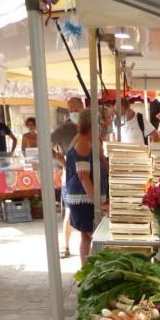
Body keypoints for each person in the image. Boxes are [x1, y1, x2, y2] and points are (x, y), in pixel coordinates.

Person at [64, 109, 107, 266]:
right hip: (85, 200)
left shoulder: (88, 142)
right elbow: (84, 178)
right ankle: (93, 271)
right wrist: (99, 203)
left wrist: (102, 155)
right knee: (96, 236)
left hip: (86, 198)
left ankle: (85, 270)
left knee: (85, 236)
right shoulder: (83, 144)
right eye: (99, 124)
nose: (101, 127)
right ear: (91, 126)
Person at [52, 96, 84, 258]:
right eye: (70, 110)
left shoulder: (90, 126)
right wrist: (61, 161)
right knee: (69, 212)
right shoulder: (63, 130)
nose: (73, 113)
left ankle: (87, 245)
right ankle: (65, 246)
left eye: (76, 110)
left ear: (83, 108)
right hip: (71, 177)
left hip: (89, 176)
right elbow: (44, 144)